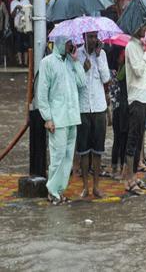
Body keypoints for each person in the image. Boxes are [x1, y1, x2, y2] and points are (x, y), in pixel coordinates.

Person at [37, 36, 86, 204]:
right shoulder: (47, 63)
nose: (70, 46)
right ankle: (52, 191)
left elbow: (82, 82)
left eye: (70, 43)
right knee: (57, 156)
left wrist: (76, 61)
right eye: (67, 43)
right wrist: (48, 118)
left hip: (72, 117)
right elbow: (42, 93)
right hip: (57, 118)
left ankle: (59, 190)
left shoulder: (70, 63)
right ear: (59, 43)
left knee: (67, 158)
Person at [76, 32, 110, 198]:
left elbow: (106, 78)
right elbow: (75, 81)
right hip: (83, 108)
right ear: (84, 37)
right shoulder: (76, 54)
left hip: (98, 108)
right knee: (83, 151)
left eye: (95, 36)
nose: (93, 39)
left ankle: (96, 186)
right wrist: (83, 69)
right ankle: (85, 187)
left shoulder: (101, 54)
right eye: (90, 36)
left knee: (97, 150)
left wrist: (98, 58)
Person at [123, 23, 146, 195]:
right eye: (142, 25)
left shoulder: (140, 46)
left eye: (145, 25)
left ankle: (134, 176)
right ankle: (129, 179)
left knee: (139, 139)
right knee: (133, 139)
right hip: (135, 98)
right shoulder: (131, 46)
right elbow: (137, 71)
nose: (145, 28)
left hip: (144, 97)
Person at [109, 48, 128, 179]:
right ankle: (116, 167)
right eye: (122, 56)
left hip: (123, 109)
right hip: (118, 109)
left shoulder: (124, 71)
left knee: (122, 139)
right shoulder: (115, 73)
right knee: (119, 139)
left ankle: (120, 167)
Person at [10, 0, 30, 66]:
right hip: (17, 27)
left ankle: (25, 62)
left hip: (26, 26)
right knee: (18, 44)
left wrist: (22, 8)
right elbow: (12, 15)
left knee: (26, 44)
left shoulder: (26, 0)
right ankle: (20, 62)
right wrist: (16, 8)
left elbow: (29, 11)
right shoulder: (13, 3)